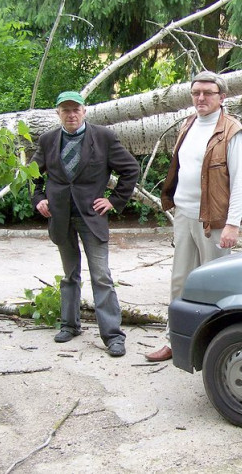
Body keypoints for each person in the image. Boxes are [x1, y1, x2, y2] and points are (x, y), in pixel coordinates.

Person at [144, 71, 242, 362]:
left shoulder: (232, 132)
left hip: (215, 222)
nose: (201, 98)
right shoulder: (189, 124)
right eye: (196, 93)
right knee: (180, 282)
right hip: (184, 216)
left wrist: (232, 224)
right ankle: (174, 341)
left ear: (222, 97)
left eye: (208, 93)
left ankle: (218, 349)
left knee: (216, 285)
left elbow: (241, 181)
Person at [31, 91, 140, 357]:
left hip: (91, 216)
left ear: (84, 111)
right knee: (69, 275)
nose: (71, 114)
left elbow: (130, 169)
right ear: (58, 113)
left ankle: (113, 336)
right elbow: (32, 175)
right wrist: (38, 199)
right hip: (59, 216)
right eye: (65, 110)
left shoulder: (103, 137)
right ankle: (70, 325)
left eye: (75, 109)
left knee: (101, 276)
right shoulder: (47, 140)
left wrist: (114, 200)